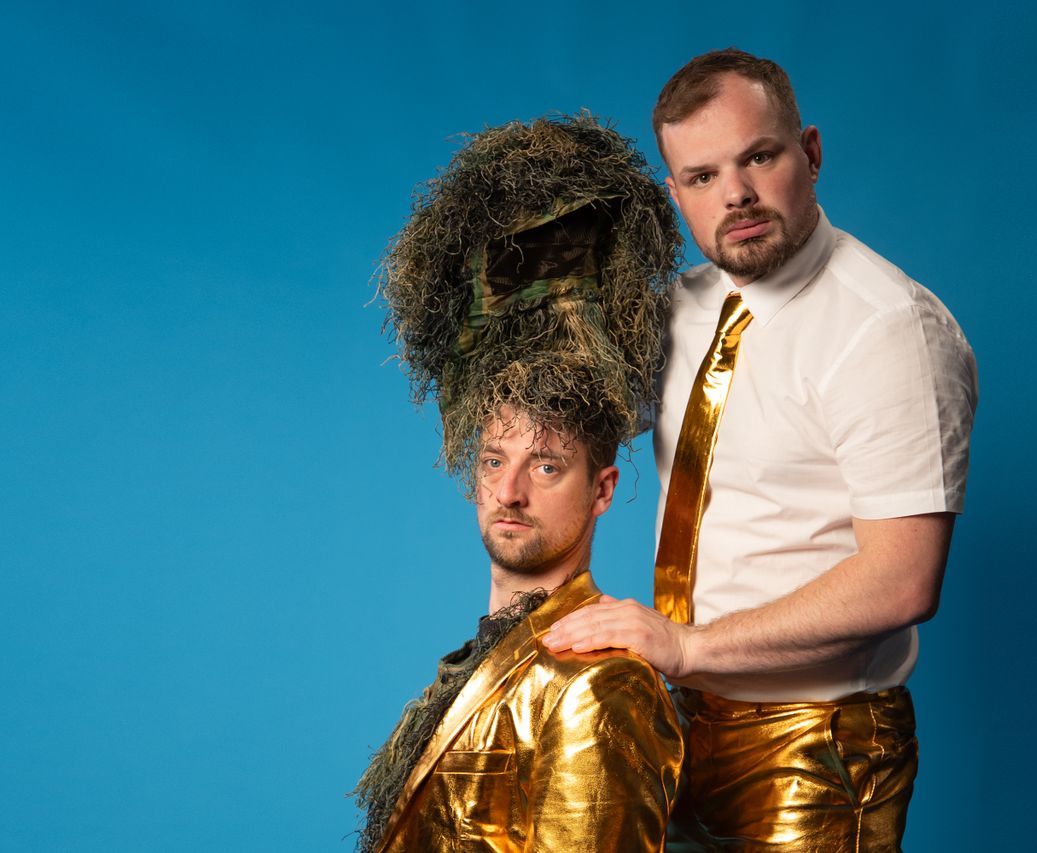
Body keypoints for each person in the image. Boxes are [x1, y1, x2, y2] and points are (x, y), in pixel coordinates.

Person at [543, 49, 978, 851]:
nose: (735, 193)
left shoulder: (887, 330)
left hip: (819, 744)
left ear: (810, 153)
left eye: (759, 157)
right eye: (703, 176)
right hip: (682, 719)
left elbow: (903, 579)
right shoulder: (685, 308)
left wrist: (689, 646)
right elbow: (568, 423)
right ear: (676, 195)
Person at [353, 115, 685, 852]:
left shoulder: (602, 689)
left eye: (546, 465)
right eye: (493, 460)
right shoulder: (480, 660)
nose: (509, 491)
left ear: (603, 490)